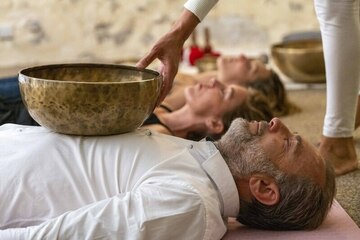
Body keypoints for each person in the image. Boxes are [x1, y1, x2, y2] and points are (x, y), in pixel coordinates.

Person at [0, 117, 335, 239]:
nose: (278, 122)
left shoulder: (191, 204)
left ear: (263, 188)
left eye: (288, 143)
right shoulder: (198, 157)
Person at [136, 0, 360, 175]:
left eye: (226, 90)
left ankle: (339, 140)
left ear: (214, 122)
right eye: (227, 88)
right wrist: (178, 34)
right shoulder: (170, 106)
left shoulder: (164, 132)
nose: (215, 81)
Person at [169, 54, 300, 117]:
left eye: (249, 66)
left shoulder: (191, 94)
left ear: (245, 89)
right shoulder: (211, 78)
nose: (243, 56)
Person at [141, 78, 273, 140]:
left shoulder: (159, 135)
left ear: (215, 123)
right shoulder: (164, 109)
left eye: (223, 92)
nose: (214, 80)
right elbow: (186, 78)